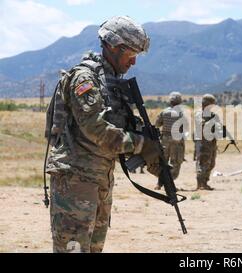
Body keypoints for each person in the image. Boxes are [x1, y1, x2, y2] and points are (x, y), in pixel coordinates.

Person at [45, 16, 161, 253]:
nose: (134, 62)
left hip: (99, 179)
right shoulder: (85, 79)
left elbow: (118, 127)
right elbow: (97, 130)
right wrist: (141, 145)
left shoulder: (109, 82)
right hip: (75, 181)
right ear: (114, 47)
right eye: (131, 54)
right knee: (73, 250)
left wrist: (150, 147)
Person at [154, 92, 188, 190]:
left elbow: (157, 124)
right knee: (175, 162)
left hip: (164, 139)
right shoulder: (180, 114)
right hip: (177, 140)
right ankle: (170, 184)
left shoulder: (164, 112)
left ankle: (159, 183)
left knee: (163, 162)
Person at [194, 94, 222, 191]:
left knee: (211, 164)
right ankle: (200, 184)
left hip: (212, 143)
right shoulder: (199, 114)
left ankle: (205, 182)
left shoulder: (214, 116)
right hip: (202, 143)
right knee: (202, 163)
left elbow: (218, 129)